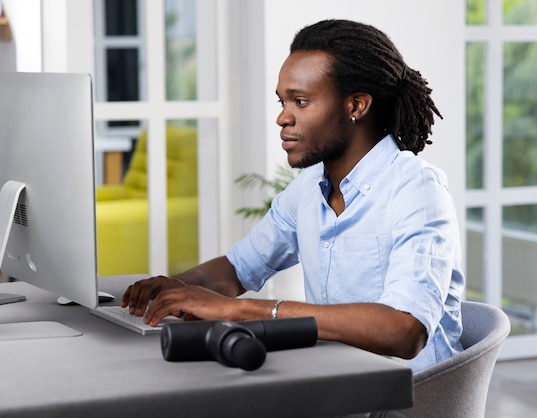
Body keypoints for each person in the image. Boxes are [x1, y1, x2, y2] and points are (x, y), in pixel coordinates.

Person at [122, 19, 464, 376]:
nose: (283, 118)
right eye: (283, 101)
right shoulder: (309, 188)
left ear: (357, 105)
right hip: (338, 383)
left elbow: (402, 331)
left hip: (408, 399)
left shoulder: (417, 190)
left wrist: (238, 310)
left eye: (301, 101)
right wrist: (177, 286)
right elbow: (240, 267)